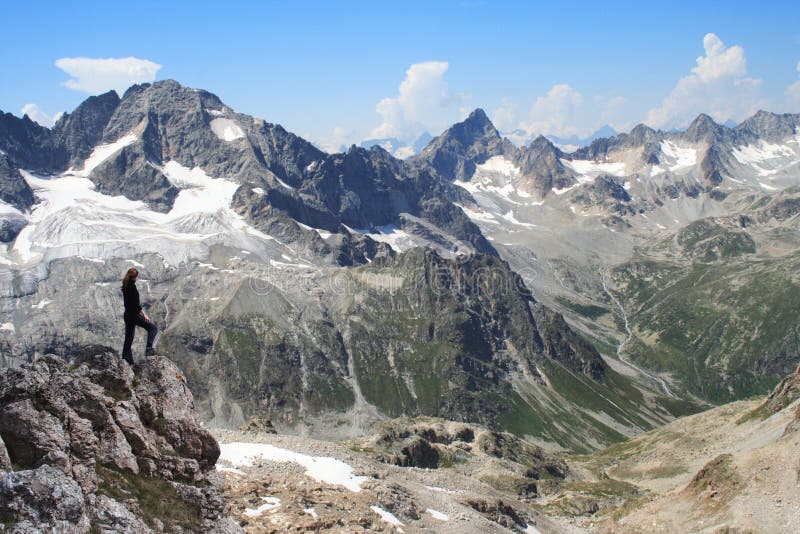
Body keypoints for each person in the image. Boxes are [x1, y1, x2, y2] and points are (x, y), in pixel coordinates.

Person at [120, 267, 158, 364]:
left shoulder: (125, 286)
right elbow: (136, 305)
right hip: (133, 315)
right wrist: (144, 315)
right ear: (135, 277)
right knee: (152, 328)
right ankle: (149, 348)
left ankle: (126, 360)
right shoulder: (132, 287)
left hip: (127, 315)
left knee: (129, 338)